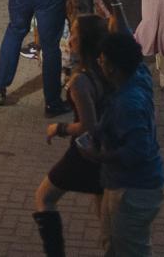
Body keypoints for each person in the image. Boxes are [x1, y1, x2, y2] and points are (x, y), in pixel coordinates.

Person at [32, 14, 111, 257]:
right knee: (106, 218)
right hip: (106, 150)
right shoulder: (107, 69)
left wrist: (60, 129)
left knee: (44, 198)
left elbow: (88, 126)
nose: (70, 37)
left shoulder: (80, 81)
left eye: (74, 32)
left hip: (85, 153)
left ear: (83, 41)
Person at [84, 30, 164, 257]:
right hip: (121, 183)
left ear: (111, 67)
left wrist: (96, 156)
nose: (99, 62)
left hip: (134, 190)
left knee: (131, 250)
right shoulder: (138, 76)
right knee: (112, 244)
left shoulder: (128, 104)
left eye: (102, 59)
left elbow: (137, 150)